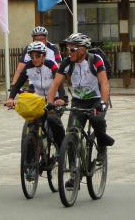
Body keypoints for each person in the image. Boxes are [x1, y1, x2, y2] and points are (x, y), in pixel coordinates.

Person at [46, 33, 114, 168]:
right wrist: (50, 103)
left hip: (96, 100)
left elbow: (104, 83)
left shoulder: (95, 60)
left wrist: (103, 104)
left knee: (97, 120)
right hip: (78, 102)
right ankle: (73, 170)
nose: (68, 52)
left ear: (83, 49)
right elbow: (55, 84)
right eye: (67, 48)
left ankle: (101, 147)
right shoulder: (67, 63)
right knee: (71, 134)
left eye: (72, 49)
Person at [6, 41, 67, 148]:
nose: (34, 59)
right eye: (32, 56)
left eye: (38, 56)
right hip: (38, 100)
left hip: (54, 99)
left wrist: (61, 98)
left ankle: (61, 148)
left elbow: (59, 84)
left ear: (44, 56)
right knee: (32, 122)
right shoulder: (28, 66)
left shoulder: (51, 65)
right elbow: (18, 83)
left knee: (52, 120)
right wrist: (11, 98)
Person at [11, 26, 62, 92]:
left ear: (46, 38)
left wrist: (58, 85)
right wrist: (13, 84)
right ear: (33, 40)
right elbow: (20, 69)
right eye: (36, 39)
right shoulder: (29, 49)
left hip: (50, 82)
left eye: (42, 39)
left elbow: (59, 67)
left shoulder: (53, 48)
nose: (39, 41)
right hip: (34, 83)